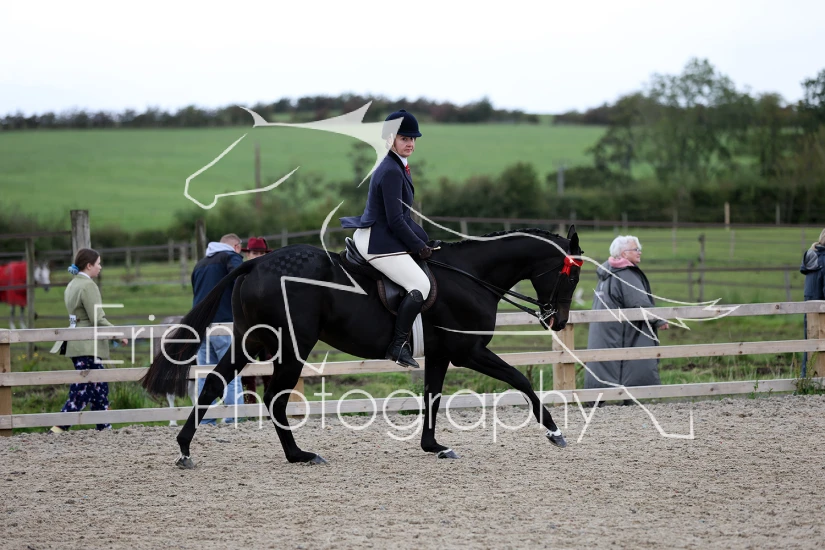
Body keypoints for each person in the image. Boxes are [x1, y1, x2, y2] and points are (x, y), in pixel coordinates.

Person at [340, 109, 432, 368]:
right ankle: (398, 345)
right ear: (390, 140)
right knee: (421, 285)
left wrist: (425, 240)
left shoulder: (397, 165)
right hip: (377, 241)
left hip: (381, 234)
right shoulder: (391, 170)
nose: (410, 143)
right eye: (404, 139)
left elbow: (403, 216)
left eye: (413, 139)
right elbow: (396, 221)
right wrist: (419, 246)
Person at [49, 248, 127, 433]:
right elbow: (97, 317)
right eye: (98, 263)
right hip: (86, 344)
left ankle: (104, 427)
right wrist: (117, 334)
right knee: (82, 390)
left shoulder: (72, 284)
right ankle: (59, 427)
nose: (100, 267)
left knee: (100, 387)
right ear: (89, 265)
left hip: (75, 341)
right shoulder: (88, 286)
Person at [584, 235, 669, 397]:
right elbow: (638, 302)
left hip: (604, 330)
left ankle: (596, 396)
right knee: (630, 361)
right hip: (622, 330)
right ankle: (631, 397)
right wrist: (658, 320)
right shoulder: (626, 274)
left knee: (605, 364)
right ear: (624, 253)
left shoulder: (607, 272)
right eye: (636, 249)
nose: (639, 252)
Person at [192, 233, 244, 424]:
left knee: (204, 375)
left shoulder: (200, 264)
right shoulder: (231, 257)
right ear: (236, 246)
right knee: (231, 372)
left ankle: (205, 420)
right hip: (224, 323)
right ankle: (234, 418)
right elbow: (241, 280)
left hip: (201, 326)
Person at [240, 236, 273, 404]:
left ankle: (271, 406)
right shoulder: (242, 276)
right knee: (247, 371)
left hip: (269, 328)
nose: (258, 256)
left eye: (261, 253)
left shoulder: (272, 275)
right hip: (248, 329)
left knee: (270, 369)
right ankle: (249, 406)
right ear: (248, 254)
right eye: (255, 253)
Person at [799, 229, 825, 375]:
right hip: (822, 310)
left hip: (810, 308)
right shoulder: (824, 259)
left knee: (809, 347)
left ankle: (806, 379)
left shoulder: (812, 256)